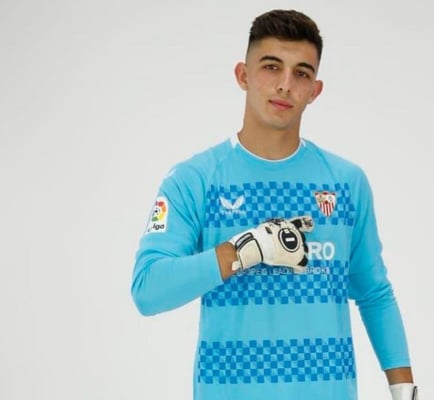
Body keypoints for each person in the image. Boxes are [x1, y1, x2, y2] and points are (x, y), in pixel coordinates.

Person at [131, 9, 418, 400]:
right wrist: (243, 251)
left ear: (315, 90)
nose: (285, 84)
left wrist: (404, 390)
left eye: (301, 73)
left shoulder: (346, 182)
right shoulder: (194, 180)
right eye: (271, 67)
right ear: (243, 75)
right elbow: (148, 289)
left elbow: (373, 293)